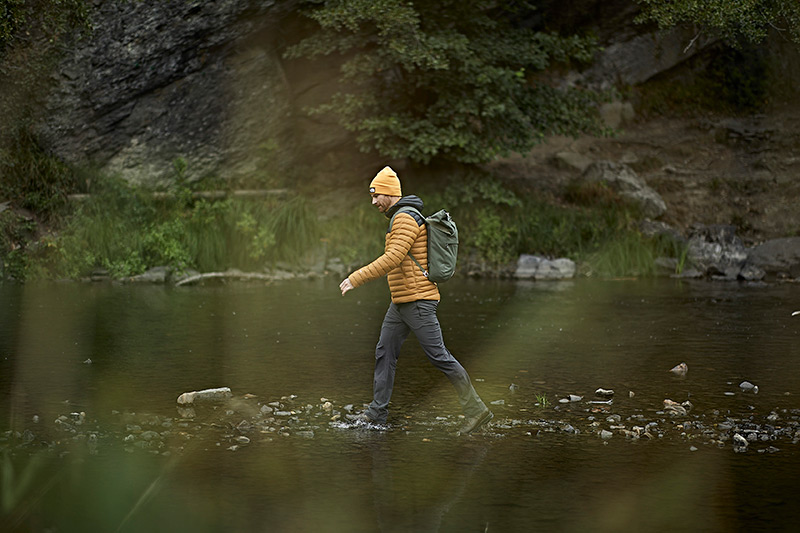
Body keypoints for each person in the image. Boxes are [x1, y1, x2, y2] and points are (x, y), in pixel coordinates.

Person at [339, 166, 493, 435]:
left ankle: (476, 410)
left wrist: (356, 278)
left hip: (418, 300)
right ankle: (377, 413)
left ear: (389, 194)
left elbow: (393, 258)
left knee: (439, 356)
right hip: (402, 301)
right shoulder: (400, 216)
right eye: (372, 196)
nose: (373, 201)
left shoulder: (405, 219)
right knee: (385, 351)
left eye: (376, 195)